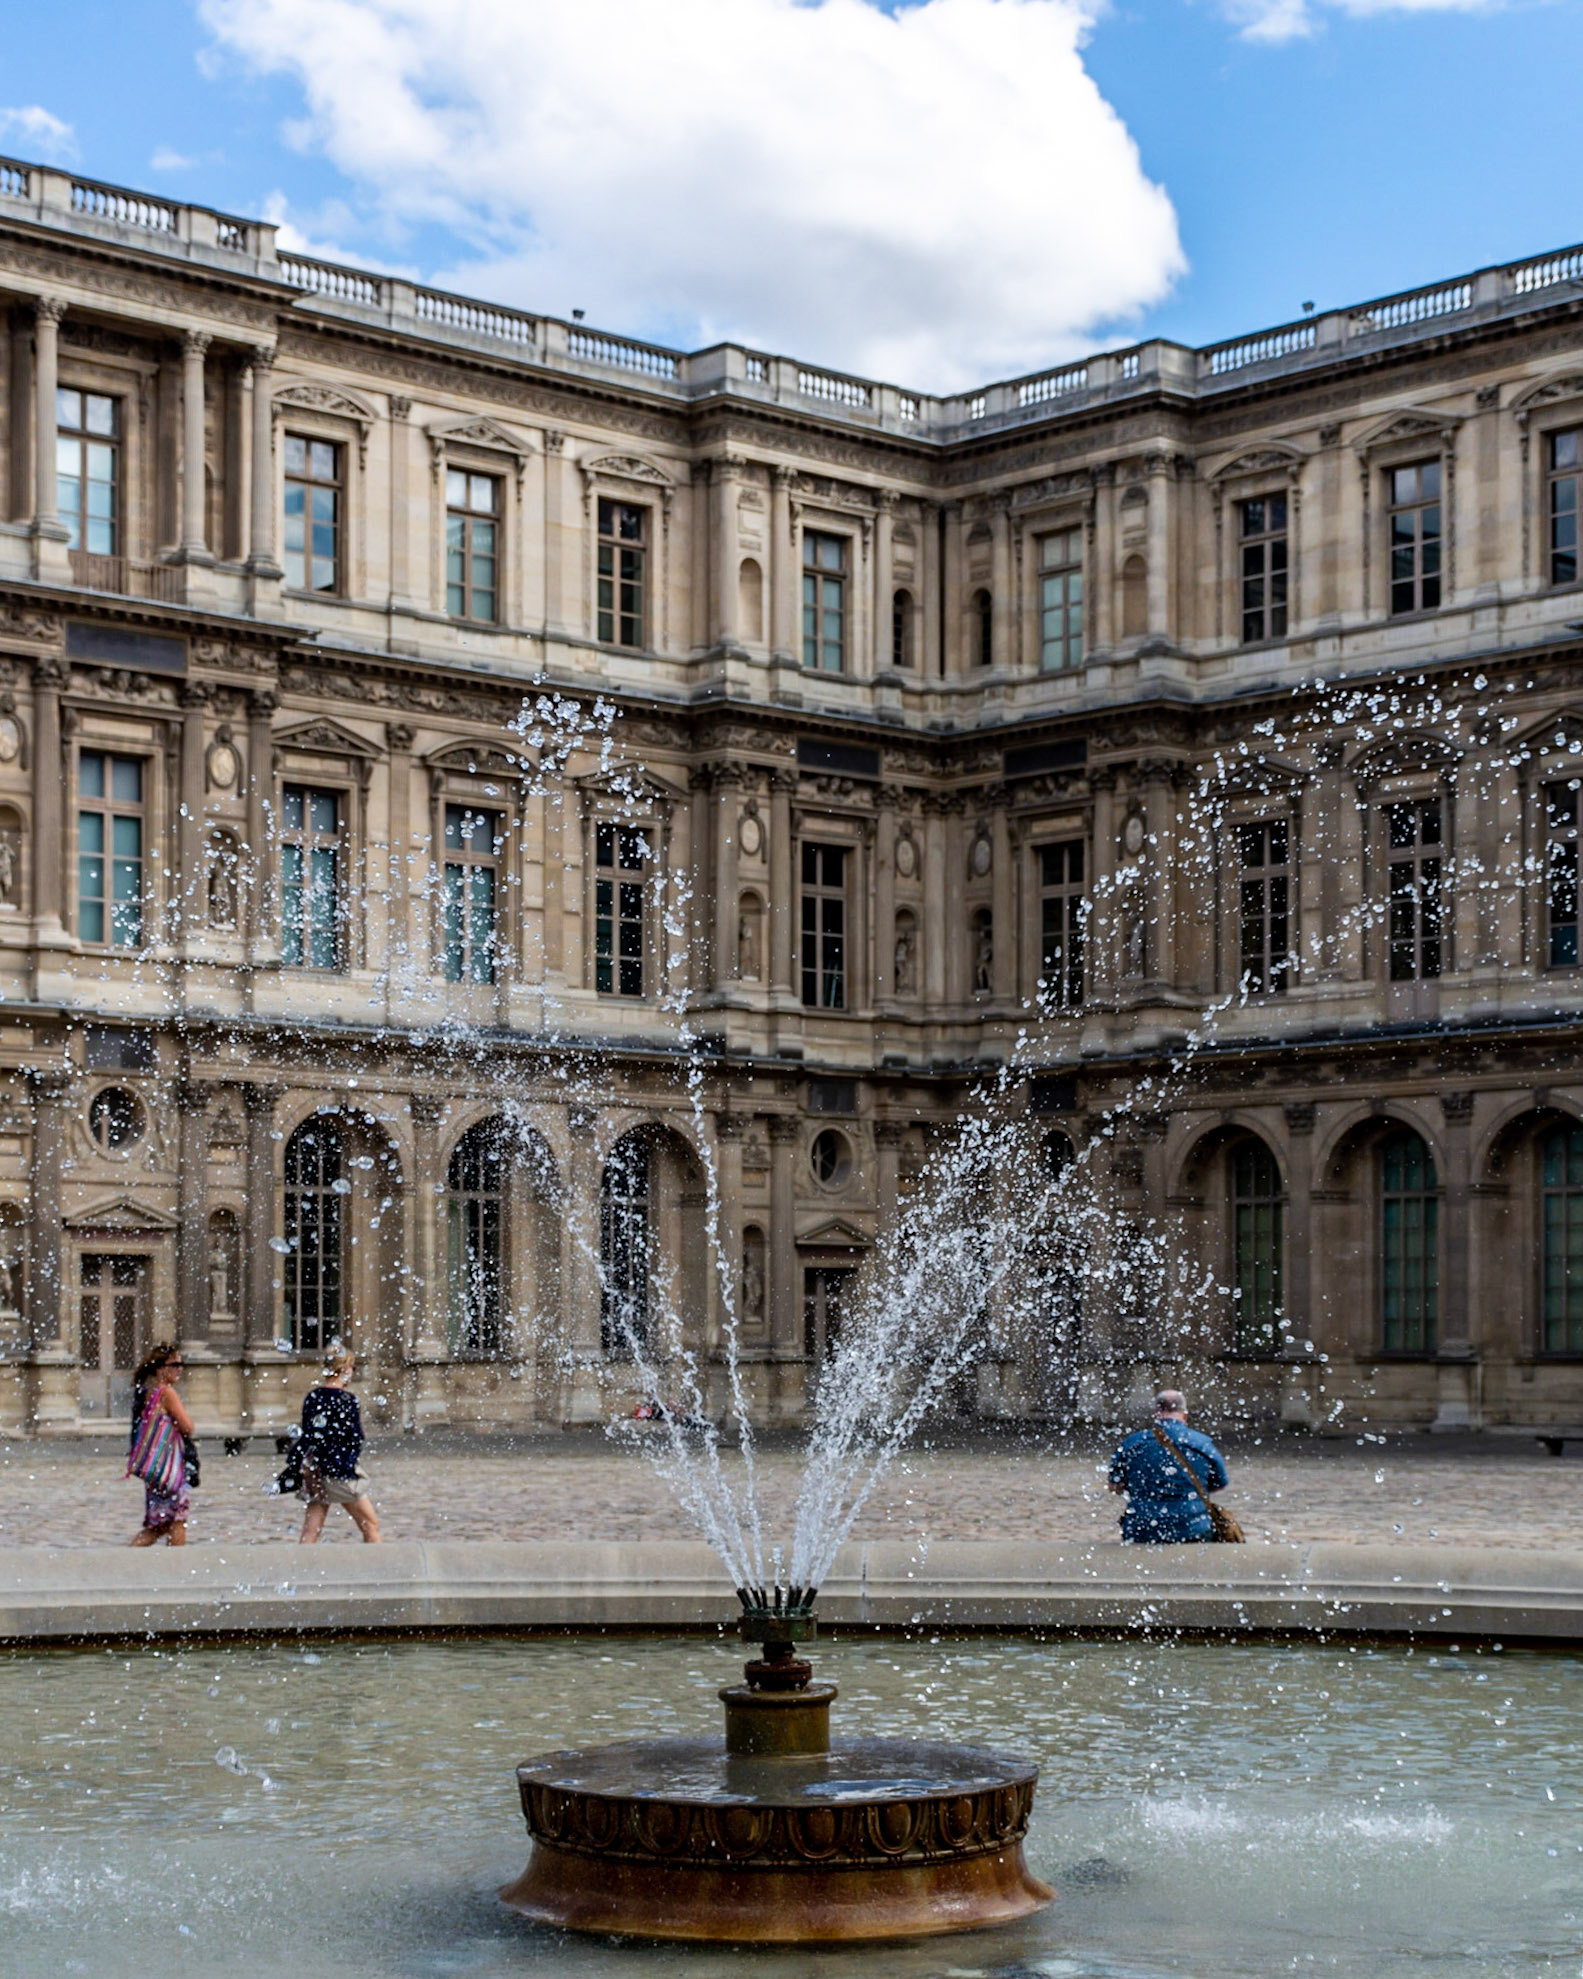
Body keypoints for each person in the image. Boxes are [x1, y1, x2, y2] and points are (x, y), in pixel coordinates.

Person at [1107, 1389, 1230, 1543]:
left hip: (1142, 1528)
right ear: (1184, 1414)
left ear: (1156, 1412)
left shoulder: (1132, 1444)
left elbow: (1114, 1485)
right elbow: (1220, 1482)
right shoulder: (1203, 1444)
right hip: (1194, 1528)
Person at [296, 1347, 381, 1544]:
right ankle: (378, 1569)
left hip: (315, 1470)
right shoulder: (348, 1400)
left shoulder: (313, 1397)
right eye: (353, 1367)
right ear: (346, 1369)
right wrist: (347, 1467)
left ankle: (299, 1573)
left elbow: (308, 1435)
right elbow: (354, 1438)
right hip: (340, 1472)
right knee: (371, 1526)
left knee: (310, 1532)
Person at [128, 1342, 195, 1547]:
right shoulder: (167, 1393)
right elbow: (187, 1427)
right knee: (177, 1520)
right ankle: (176, 1569)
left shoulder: (150, 1392)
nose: (179, 1369)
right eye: (174, 1364)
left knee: (159, 1525)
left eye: (181, 1364)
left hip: (157, 1469)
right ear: (160, 1368)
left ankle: (126, 1557)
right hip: (170, 1470)